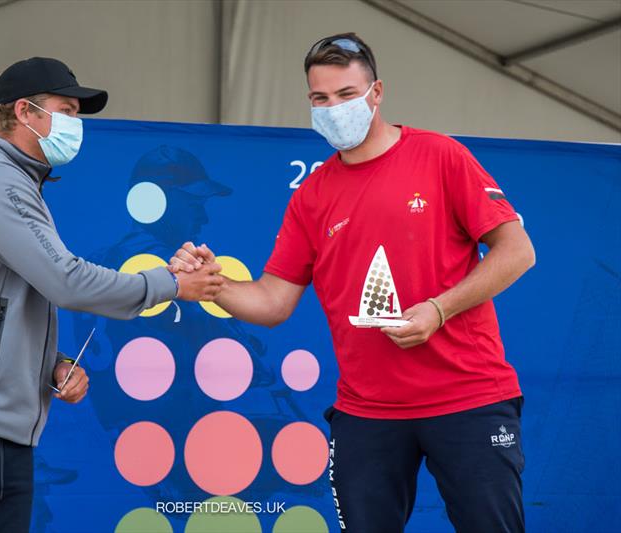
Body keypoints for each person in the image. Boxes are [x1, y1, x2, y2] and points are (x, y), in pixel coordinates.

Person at [171, 33, 535, 533]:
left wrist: (439, 309)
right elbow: (274, 301)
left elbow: (518, 251)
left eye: (345, 95)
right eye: (319, 99)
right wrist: (216, 285)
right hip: (366, 413)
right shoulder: (312, 195)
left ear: (376, 93)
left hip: (467, 398)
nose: (332, 108)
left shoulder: (440, 156)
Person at [0, 57, 223, 533]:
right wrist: (173, 284)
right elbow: (65, 280)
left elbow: (3, 306)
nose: (76, 125)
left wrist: (52, 364)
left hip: (2, 429)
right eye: (67, 110)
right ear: (24, 112)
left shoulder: (21, 185)